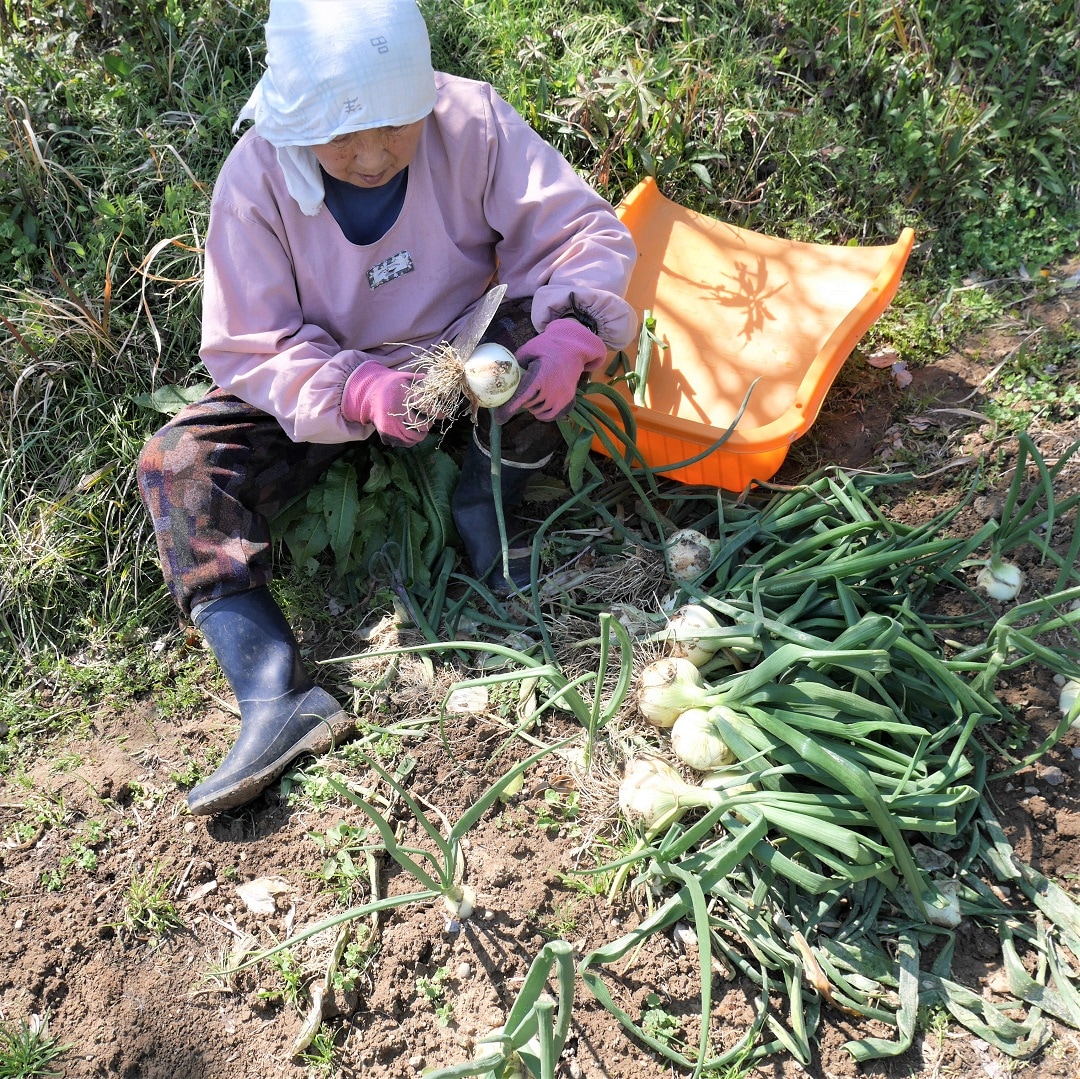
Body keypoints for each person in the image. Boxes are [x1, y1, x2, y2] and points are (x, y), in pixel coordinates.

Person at [137, 0, 638, 816]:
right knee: (179, 463)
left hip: (462, 349)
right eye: (343, 139)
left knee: (546, 335)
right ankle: (273, 694)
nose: (372, 158)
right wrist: (357, 389)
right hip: (335, 383)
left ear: (423, 100)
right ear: (297, 120)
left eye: (395, 131)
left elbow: (577, 231)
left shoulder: (469, 121)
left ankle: (492, 523)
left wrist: (572, 329)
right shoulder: (257, 180)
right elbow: (251, 344)